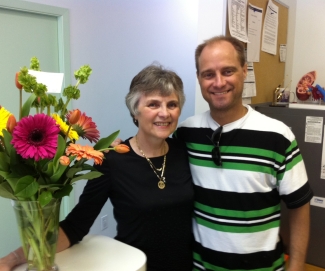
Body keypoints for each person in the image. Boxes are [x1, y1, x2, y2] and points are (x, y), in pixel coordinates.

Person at [0, 64, 194, 271]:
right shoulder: (113, 160)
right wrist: (13, 257)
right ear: (135, 111)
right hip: (137, 266)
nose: (164, 113)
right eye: (153, 104)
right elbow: (76, 225)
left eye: (172, 104)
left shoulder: (185, 151)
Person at [173, 35, 313, 271]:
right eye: (208, 74)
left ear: (244, 71)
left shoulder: (278, 136)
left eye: (228, 71)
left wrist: (297, 265)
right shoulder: (186, 134)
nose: (218, 82)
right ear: (198, 78)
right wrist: (119, 149)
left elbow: (299, 206)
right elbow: (153, 157)